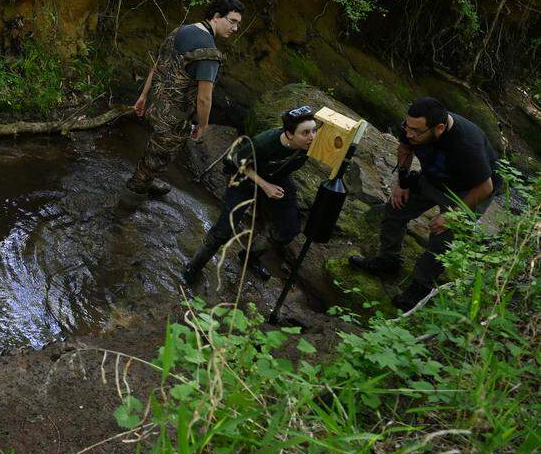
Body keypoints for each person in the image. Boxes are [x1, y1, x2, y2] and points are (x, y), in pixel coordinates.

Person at [349, 97, 501, 314]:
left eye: (416, 131)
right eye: (407, 127)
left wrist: (453, 215)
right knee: (395, 208)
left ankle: (421, 286)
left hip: (470, 189)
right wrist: (401, 183)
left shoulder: (467, 143)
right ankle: (388, 260)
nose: (409, 134)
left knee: (443, 236)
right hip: (434, 177)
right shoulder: (413, 126)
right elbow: (404, 148)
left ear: (439, 128)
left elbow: (485, 187)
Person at [182, 106, 319, 284]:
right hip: (244, 178)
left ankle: (249, 257)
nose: (312, 137)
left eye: (314, 131)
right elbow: (238, 160)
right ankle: (193, 267)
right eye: (306, 133)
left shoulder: (311, 143)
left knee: (287, 230)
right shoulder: (265, 143)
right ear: (290, 134)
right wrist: (265, 186)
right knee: (223, 230)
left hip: (277, 176)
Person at [126, 0, 245, 197]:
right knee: (159, 157)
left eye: (238, 24)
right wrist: (203, 125)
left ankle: (145, 178)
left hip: (154, 103)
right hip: (173, 117)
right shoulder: (209, 53)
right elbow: (204, 98)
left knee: (154, 150)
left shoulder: (180, 30)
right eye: (232, 22)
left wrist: (143, 97)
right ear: (216, 16)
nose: (235, 29)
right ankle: (132, 196)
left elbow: (157, 66)